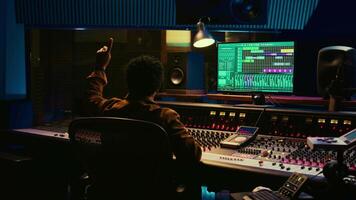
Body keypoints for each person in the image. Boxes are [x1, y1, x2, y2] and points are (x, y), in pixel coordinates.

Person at [84, 37, 202, 173]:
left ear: (128, 83)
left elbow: (91, 97)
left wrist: (100, 67)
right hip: (152, 193)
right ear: (157, 87)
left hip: (112, 191)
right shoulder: (165, 117)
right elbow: (193, 155)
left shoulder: (110, 108)